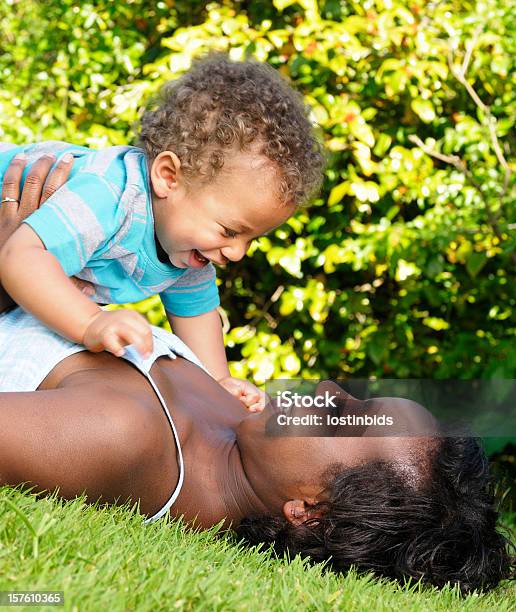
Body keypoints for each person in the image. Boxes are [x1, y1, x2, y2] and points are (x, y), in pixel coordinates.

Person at [0, 157, 512, 594]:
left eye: (341, 418)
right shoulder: (235, 414)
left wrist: (16, 257)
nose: (329, 390)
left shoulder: (119, 437)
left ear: (308, 510)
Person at [0, 53, 324, 410]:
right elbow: (22, 257)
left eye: (251, 240)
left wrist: (218, 385)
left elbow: (198, 317)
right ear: (168, 176)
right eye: (230, 230)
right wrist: (90, 322)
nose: (237, 253)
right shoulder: (109, 196)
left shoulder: (185, 252)